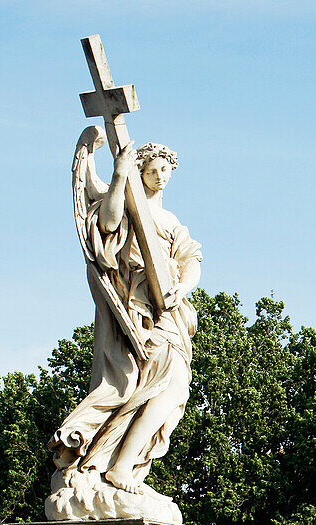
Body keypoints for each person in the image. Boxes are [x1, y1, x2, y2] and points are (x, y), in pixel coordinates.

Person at [50, 135, 202, 498]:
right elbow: (106, 224)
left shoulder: (170, 219)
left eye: (165, 170)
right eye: (152, 170)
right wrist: (119, 176)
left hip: (170, 309)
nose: (160, 176)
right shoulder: (128, 203)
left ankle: (121, 464)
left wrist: (184, 287)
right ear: (141, 171)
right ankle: (116, 465)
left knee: (173, 388)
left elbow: (191, 258)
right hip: (136, 309)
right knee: (155, 382)